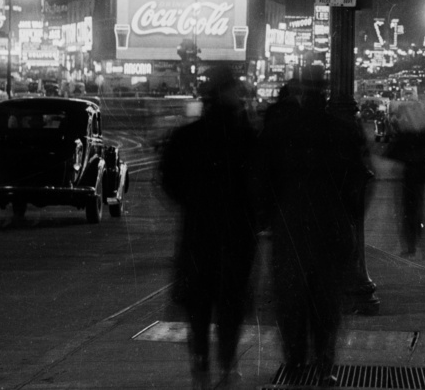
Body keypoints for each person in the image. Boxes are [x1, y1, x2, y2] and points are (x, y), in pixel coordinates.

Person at [262, 68, 371, 387]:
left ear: (299, 93)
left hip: (292, 222)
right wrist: (350, 215)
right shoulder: (341, 129)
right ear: (325, 93)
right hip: (331, 223)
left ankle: (295, 361)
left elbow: (262, 177)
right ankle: (325, 364)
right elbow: (359, 178)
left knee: (291, 296)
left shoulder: (281, 129)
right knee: (326, 300)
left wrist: (269, 216)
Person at [159, 65, 259, 390]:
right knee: (230, 307)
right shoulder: (247, 138)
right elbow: (263, 187)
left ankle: (201, 367)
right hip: (236, 235)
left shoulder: (186, 136)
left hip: (198, 233)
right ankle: (227, 367)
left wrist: (194, 203)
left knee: (198, 309)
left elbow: (169, 183)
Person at [388, 96, 425, 257]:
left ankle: (411, 246)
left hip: (409, 175)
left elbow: (393, 151)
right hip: (423, 174)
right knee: (424, 212)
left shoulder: (407, 133)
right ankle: (424, 248)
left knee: (409, 212)